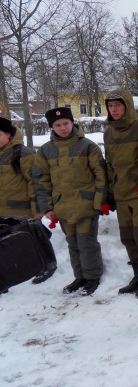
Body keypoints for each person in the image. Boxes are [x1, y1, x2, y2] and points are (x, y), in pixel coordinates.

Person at [32, 107, 107, 295]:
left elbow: (101, 176)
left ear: (72, 123)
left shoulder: (88, 146)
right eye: (58, 125)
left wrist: (99, 202)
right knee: (72, 243)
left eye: (66, 123)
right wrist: (47, 207)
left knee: (86, 243)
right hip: (63, 206)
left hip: (86, 205)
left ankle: (93, 277)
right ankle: (80, 277)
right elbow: (41, 180)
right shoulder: (46, 151)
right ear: (52, 127)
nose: (63, 128)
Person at [104, 89, 138, 299]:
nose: (114, 109)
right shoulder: (109, 132)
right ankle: (137, 275)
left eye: (118, 105)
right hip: (121, 193)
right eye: (110, 106)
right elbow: (109, 165)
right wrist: (110, 192)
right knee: (127, 237)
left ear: (127, 105)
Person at [0, 117, 57, 289]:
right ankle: (11, 273)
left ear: (8, 135)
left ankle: (48, 264)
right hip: (2, 209)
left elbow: (36, 182)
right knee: (8, 242)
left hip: (23, 209)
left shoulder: (22, 154)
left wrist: (37, 209)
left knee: (35, 237)